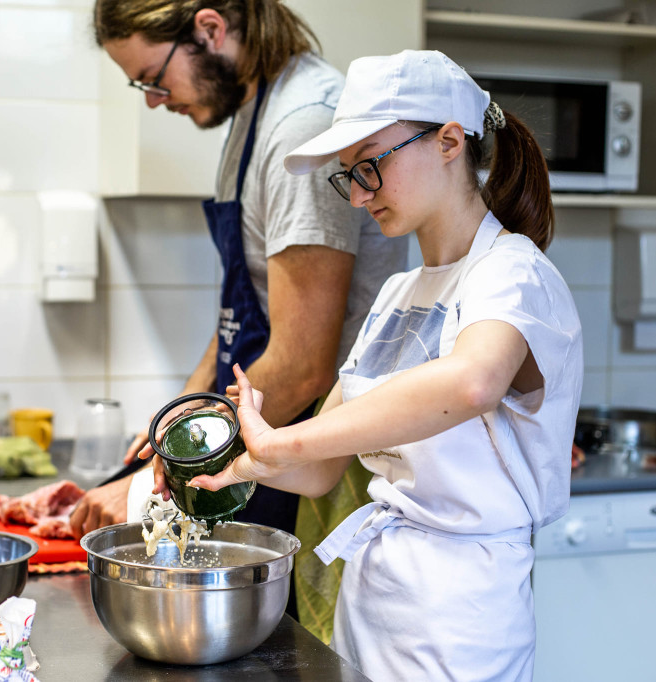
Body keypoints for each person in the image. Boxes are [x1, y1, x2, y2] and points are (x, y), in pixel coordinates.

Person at [184, 50, 585, 680]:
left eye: (371, 164)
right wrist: (235, 461)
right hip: (373, 596)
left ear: (450, 141)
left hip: (462, 609)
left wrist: (286, 440)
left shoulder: (515, 274)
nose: (361, 193)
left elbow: (472, 381)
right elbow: (319, 471)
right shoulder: (400, 294)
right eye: (349, 176)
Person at [69, 1, 407, 543]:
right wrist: (169, 430)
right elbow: (242, 311)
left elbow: (302, 367)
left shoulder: (301, 125)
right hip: (259, 434)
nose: (155, 102)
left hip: (310, 447)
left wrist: (168, 466)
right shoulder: (253, 114)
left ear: (210, 29)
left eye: (154, 79)